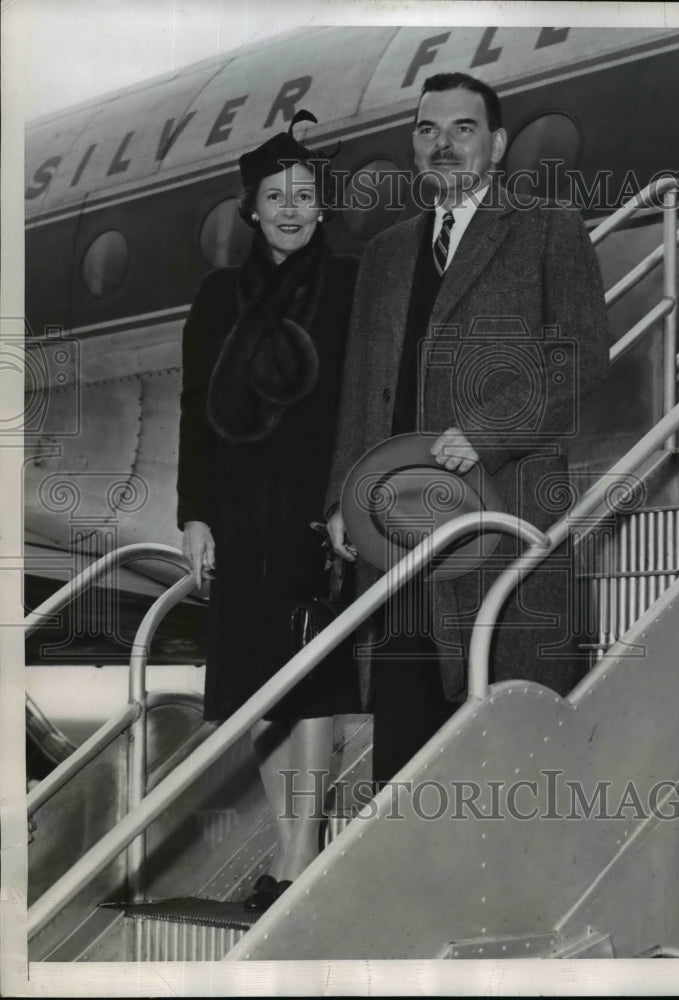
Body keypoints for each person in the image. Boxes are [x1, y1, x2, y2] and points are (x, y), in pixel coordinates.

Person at [326, 73, 609, 785]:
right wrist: (340, 498)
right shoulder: (386, 253)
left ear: (498, 142)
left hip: (501, 516)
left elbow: (580, 363)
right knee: (401, 743)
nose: (442, 144)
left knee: (507, 746)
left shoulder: (548, 226)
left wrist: (487, 431)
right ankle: (402, 892)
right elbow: (361, 384)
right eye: (426, 130)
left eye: (462, 128)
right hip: (393, 536)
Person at [176, 111, 359, 913]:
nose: (290, 208)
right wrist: (195, 514)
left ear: (322, 206)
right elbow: (194, 410)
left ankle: (301, 855)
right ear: (251, 208)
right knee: (254, 685)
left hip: (314, 512)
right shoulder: (219, 296)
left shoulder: (350, 284)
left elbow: (365, 399)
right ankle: (290, 854)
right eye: (275, 195)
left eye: (305, 194)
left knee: (309, 683)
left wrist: (348, 499)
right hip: (240, 511)